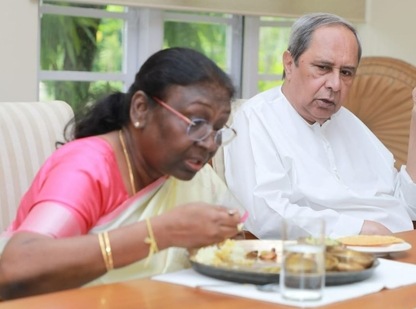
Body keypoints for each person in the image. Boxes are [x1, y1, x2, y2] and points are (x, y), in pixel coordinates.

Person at [0, 47, 244, 299]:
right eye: (196, 123)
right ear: (140, 108)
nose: (209, 143)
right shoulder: (88, 166)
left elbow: (235, 243)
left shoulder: (187, 171)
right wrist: (162, 232)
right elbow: (15, 269)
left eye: (217, 129)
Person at [223, 13, 416, 239]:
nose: (335, 84)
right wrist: (359, 229)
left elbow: (413, 208)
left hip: (404, 247)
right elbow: (266, 215)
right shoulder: (256, 119)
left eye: (346, 72)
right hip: (332, 259)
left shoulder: (349, 121)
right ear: (289, 64)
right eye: (323, 67)